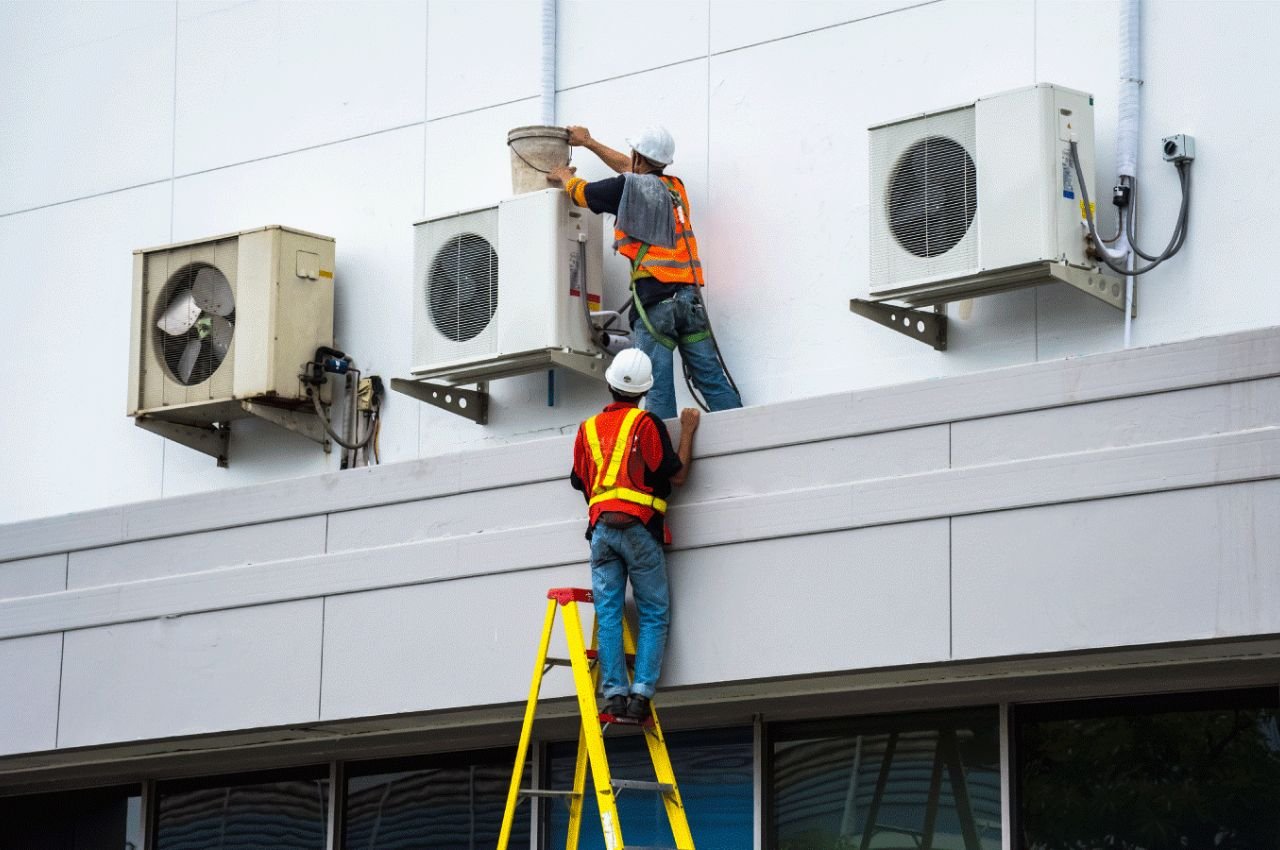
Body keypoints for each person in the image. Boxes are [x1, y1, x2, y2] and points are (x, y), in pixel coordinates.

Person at [548, 124, 742, 421]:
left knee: (658, 388)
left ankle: (661, 452)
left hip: (656, 304)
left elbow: (584, 194)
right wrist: (589, 143)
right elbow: (633, 169)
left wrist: (564, 176)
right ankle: (741, 431)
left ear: (638, 156)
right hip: (690, 302)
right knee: (711, 378)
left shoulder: (627, 188)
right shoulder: (675, 188)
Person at [569, 348, 700, 721]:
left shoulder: (587, 429)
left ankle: (614, 696)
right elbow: (675, 476)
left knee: (609, 612)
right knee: (654, 611)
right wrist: (687, 432)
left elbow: (581, 481)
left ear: (609, 383)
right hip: (639, 529)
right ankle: (641, 695)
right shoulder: (646, 424)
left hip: (601, 533)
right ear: (645, 391)